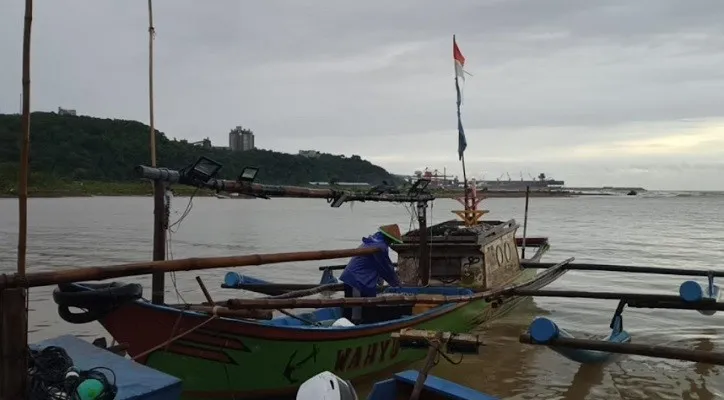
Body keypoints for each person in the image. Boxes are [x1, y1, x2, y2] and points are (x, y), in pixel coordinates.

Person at [339, 224, 403, 324]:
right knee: (355, 313)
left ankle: (352, 327)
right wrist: (397, 284)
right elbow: (386, 268)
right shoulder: (380, 247)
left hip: (354, 278)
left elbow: (376, 266)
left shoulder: (372, 241)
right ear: (389, 239)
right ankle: (354, 331)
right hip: (357, 281)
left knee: (352, 309)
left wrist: (381, 281)